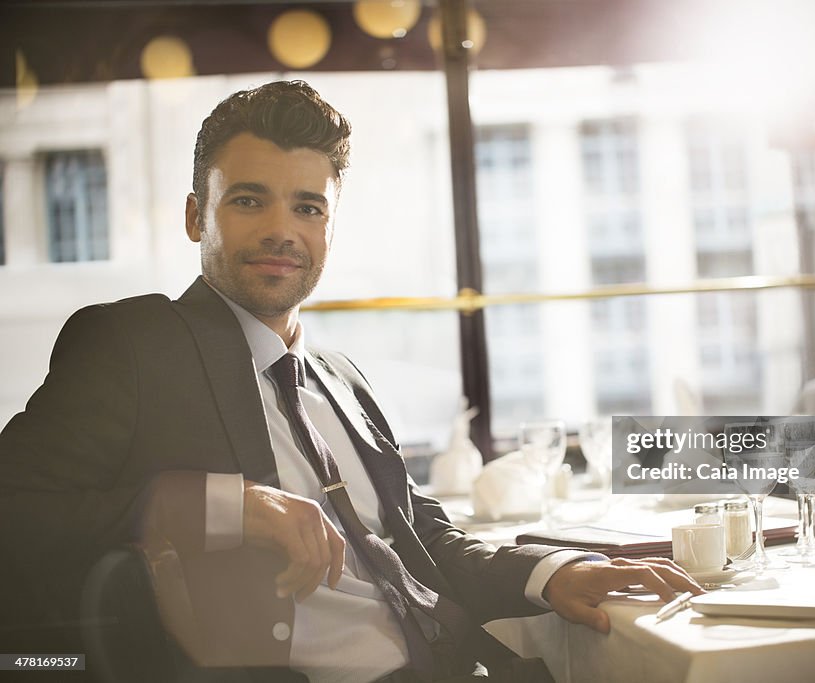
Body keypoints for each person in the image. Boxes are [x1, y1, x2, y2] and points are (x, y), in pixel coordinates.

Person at [0, 81, 700, 683]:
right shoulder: (134, 345)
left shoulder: (341, 378)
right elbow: (15, 512)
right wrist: (226, 504)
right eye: (248, 201)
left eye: (308, 207)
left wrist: (552, 572)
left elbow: (421, 539)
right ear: (195, 216)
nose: (283, 230)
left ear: (332, 228)